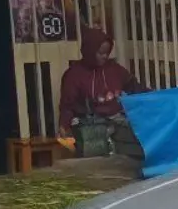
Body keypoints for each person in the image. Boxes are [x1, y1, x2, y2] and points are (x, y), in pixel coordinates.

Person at [58, 27, 145, 157]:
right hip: (89, 124)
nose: (105, 56)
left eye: (107, 52)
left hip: (117, 119)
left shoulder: (114, 70)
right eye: (100, 53)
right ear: (89, 51)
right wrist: (64, 124)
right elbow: (68, 104)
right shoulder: (74, 75)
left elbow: (134, 87)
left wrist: (154, 97)